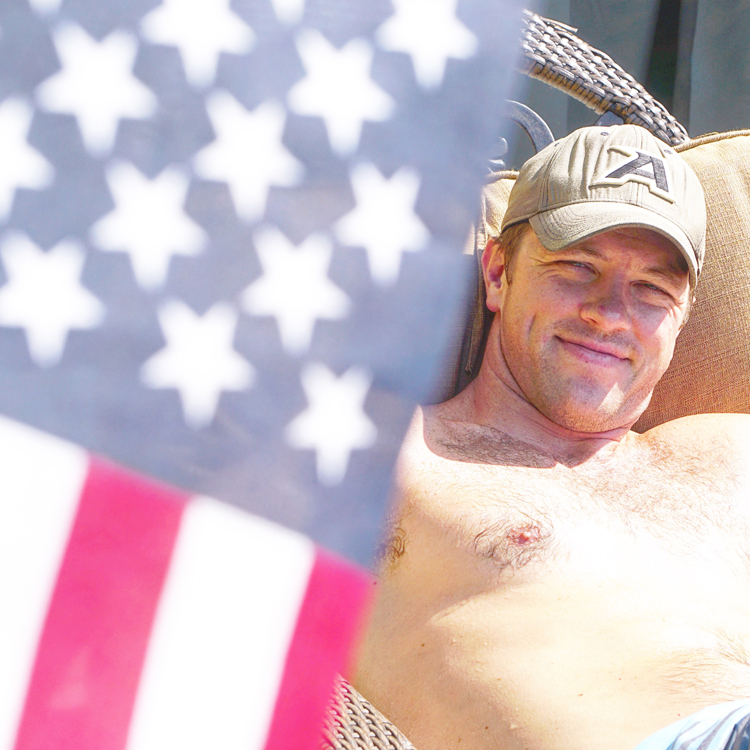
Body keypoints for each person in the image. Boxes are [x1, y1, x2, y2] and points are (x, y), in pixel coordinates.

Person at [353, 124, 750, 750]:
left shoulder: (731, 452)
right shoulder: (391, 450)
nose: (609, 313)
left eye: (652, 290)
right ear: (497, 273)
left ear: (683, 318)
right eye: (577, 267)